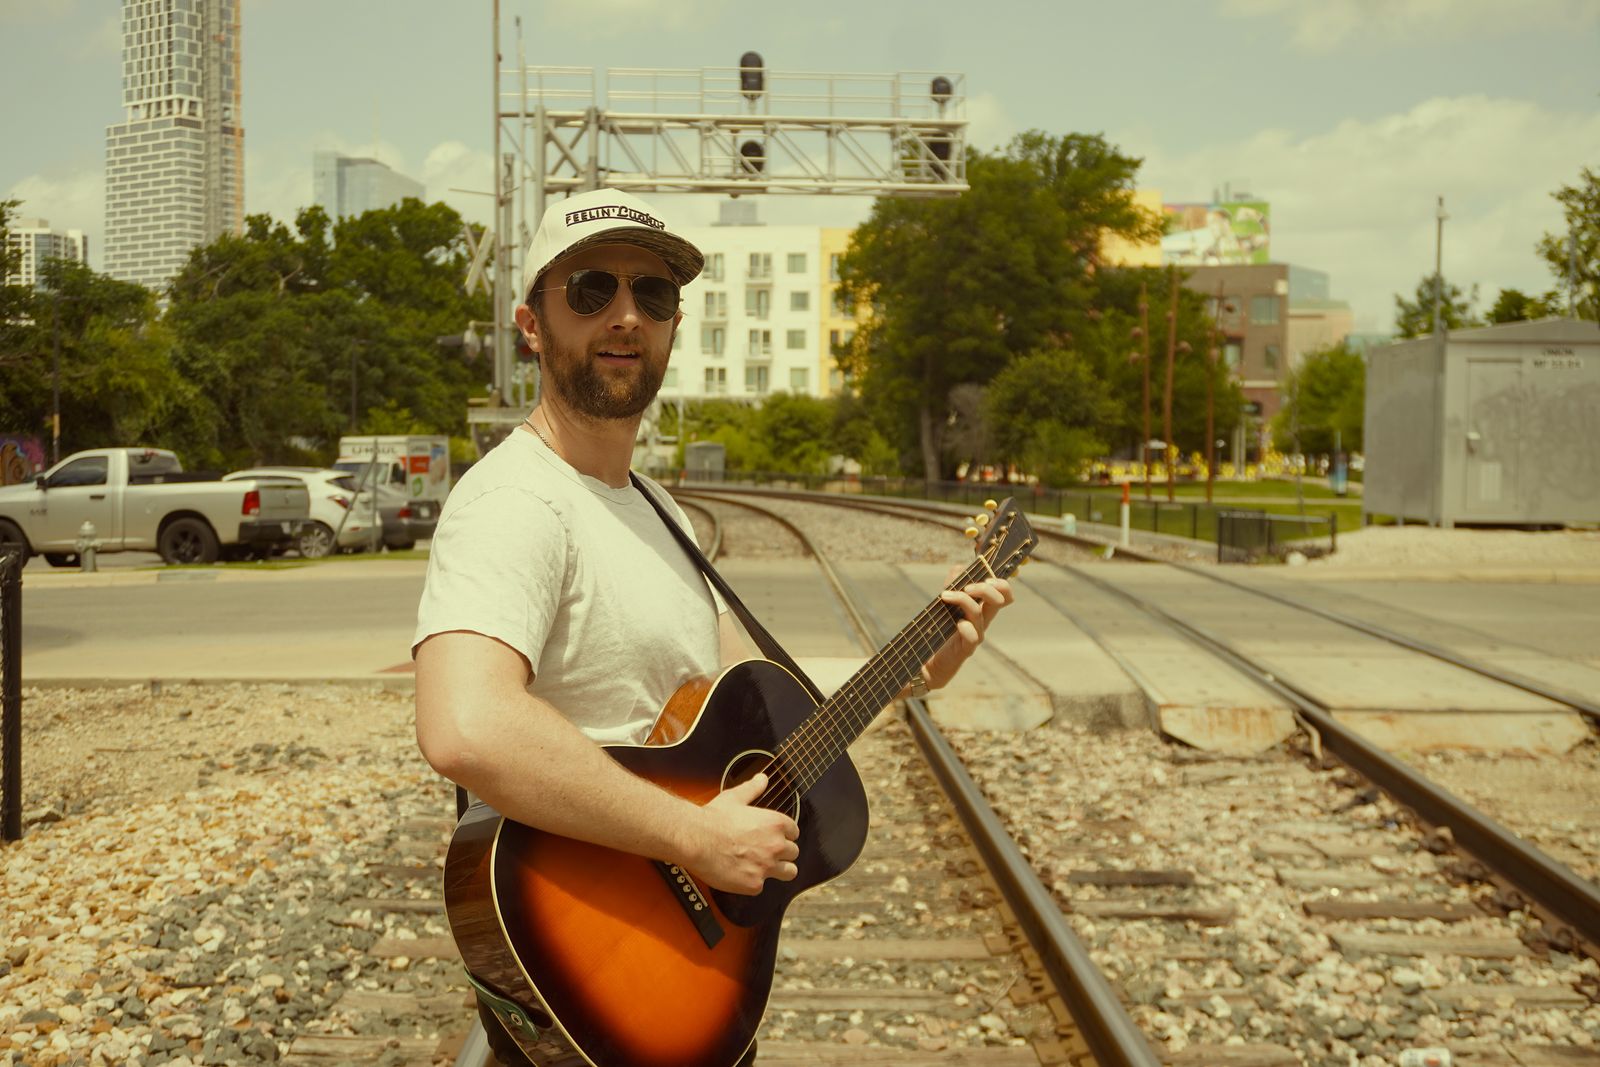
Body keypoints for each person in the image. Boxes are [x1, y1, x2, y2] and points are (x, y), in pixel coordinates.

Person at [412, 187, 1013, 1065]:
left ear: (673, 325)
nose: (626, 315)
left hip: (681, 973)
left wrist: (917, 665)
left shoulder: (656, 508)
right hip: (598, 957)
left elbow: (761, 706)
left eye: (652, 294)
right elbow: (465, 724)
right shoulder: (514, 501)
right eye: (591, 289)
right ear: (531, 325)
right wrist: (694, 836)